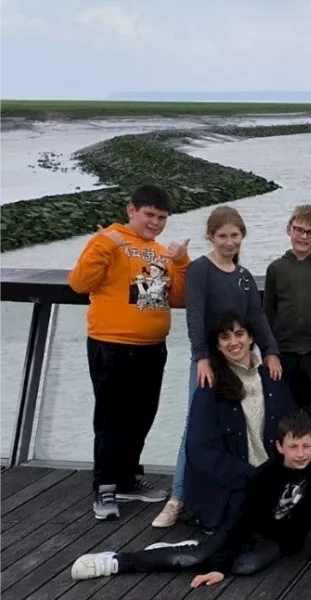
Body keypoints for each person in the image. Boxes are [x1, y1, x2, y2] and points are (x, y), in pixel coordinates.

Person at [71, 412, 311, 584]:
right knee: (195, 558)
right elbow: (243, 521)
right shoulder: (265, 476)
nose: (301, 453)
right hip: (245, 530)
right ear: (280, 446)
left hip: (278, 541)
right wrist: (219, 566)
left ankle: (197, 548)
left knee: (245, 567)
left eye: (307, 446)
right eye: (293, 446)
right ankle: (117, 561)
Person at [68, 184, 191, 521]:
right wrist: (105, 246)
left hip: (151, 347)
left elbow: (175, 298)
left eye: (162, 217)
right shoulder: (111, 239)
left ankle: (126, 480)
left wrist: (180, 261)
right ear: (131, 210)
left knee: (141, 416)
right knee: (111, 419)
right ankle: (104, 488)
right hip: (112, 345)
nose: (155, 222)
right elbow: (80, 283)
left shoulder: (157, 251)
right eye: (149, 215)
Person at [154, 206, 281, 529]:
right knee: (194, 429)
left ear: (242, 236)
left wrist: (270, 351)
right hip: (209, 362)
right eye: (222, 236)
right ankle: (178, 497)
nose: (228, 242)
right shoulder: (200, 270)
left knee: (235, 426)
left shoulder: (243, 277)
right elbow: (194, 314)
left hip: (240, 360)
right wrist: (201, 358)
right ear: (210, 237)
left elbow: (257, 316)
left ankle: (226, 493)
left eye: (234, 235)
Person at [180, 311, 296, 531]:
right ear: (217, 345)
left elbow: (292, 431)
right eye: (225, 337)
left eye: (239, 334)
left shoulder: (272, 379)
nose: (234, 342)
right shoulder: (209, 387)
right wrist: (254, 477)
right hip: (230, 488)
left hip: (268, 480)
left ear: (251, 338)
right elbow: (201, 453)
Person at [264, 204, 311, 439]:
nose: (303, 236)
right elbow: (268, 312)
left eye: (310, 232)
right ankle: (286, 470)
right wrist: (269, 352)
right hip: (284, 353)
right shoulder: (276, 268)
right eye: (298, 230)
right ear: (289, 229)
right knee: (284, 417)